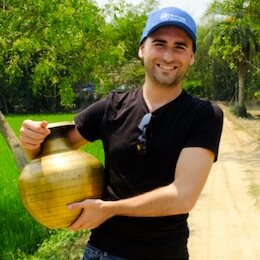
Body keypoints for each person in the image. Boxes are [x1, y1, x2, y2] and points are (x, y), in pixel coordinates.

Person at [20, 6, 223, 260]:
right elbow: (48, 153)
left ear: (192, 56)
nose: (168, 56)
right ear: (142, 49)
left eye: (180, 47)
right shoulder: (112, 106)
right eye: (159, 44)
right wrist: (31, 139)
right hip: (103, 252)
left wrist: (109, 209)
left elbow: (182, 196)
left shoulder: (204, 115)